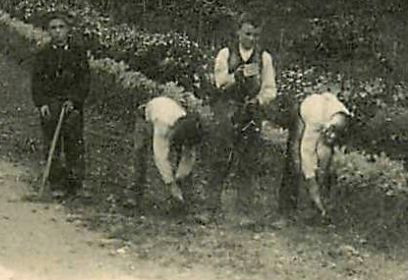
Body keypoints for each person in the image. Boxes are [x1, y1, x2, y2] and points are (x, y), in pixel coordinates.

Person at [209, 14, 278, 215]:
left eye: (256, 35)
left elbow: (270, 88)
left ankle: (244, 210)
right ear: (238, 32)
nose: (252, 39)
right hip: (228, 109)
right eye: (248, 33)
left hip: (251, 111)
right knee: (221, 157)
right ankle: (211, 207)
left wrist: (259, 100)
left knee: (248, 160)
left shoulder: (264, 58)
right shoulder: (225, 54)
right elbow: (219, 82)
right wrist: (238, 76)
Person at [30, 13, 90, 198]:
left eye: (61, 27)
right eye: (53, 28)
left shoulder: (77, 53)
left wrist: (74, 101)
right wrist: (41, 104)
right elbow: (36, 82)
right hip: (51, 103)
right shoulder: (43, 54)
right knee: (51, 143)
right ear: (49, 31)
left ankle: (75, 183)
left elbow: (84, 80)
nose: (57, 32)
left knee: (74, 143)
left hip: (72, 104)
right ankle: (55, 182)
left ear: (68, 30)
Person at [280, 91, 352, 221]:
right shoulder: (315, 118)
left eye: (336, 133)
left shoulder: (343, 117)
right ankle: (288, 209)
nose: (332, 136)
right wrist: (311, 179)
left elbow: (329, 145)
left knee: (324, 162)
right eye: (331, 131)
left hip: (323, 119)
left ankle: (318, 207)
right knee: (296, 159)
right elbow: (307, 152)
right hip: (304, 112)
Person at [126, 95, 205, 211]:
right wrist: (171, 184)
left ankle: (181, 201)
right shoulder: (163, 125)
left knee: (183, 173)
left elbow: (189, 155)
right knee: (140, 152)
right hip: (147, 117)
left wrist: (179, 177)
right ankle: (133, 195)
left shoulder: (190, 127)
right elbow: (160, 157)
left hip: (168, 116)